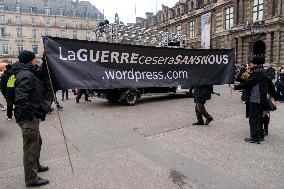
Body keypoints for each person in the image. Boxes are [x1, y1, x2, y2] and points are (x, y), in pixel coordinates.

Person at [13, 50, 49, 187]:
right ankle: (31, 179)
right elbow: (21, 97)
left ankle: (36, 165)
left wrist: (46, 59)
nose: (36, 61)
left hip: (30, 115)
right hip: (27, 117)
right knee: (30, 147)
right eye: (35, 59)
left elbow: (41, 73)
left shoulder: (28, 71)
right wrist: (29, 114)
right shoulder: (25, 74)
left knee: (37, 142)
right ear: (30, 60)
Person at [234, 56, 278, 144]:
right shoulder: (263, 71)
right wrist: (275, 96)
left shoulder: (257, 72)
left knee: (253, 118)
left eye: (252, 63)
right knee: (259, 117)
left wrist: (236, 87)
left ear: (255, 63)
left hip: (255, 98)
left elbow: (248, 83)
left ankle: (255, 137)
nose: (250, 64)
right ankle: (260, 135)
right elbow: (270, 85)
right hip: (261, 98)